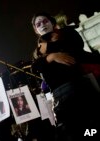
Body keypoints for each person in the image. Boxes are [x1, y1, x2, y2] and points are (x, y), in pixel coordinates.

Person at [31, 12, 100, 141]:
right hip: (60, 98)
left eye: (45, 21)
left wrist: (50, 48)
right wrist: (52, 57)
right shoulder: (38, 51)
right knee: (73, 133)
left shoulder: (68, 34)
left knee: (91, 129)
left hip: (80, 89)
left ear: (52, 22)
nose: (42, 25)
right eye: (38, 24)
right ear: (35, 30)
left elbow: (76, 50)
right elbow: (35, 68)